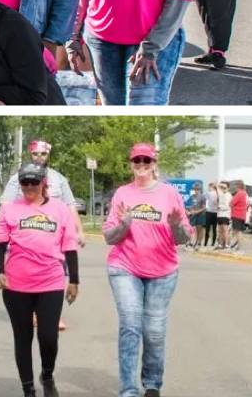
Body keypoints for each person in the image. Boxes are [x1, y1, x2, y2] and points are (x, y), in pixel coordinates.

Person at [104, 143, 191, 397]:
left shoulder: (169, 194)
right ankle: (129, 390)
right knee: (131, 325)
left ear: (155, 164)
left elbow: (183, 237)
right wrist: (125, 223)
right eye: (136, 161)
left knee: (154, 330)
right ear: (131, 164)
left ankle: (152, 383)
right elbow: (110, 237)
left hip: (163, 271)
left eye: (146, 161)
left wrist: (176, 226)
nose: (141, 165)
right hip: (125, 267)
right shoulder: (122, 193)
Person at [0, 161, 80, 396]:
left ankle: (47, 374)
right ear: (20, 184)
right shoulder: (10, 209)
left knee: (48, 337)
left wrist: (74, 280)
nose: (29, 187)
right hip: (16, 284)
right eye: (24, 182)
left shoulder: (60, 209)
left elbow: (70, 245)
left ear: (44, 183)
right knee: (23, 337)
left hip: (50, 281)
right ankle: (28, 388)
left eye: (34, 182)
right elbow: (0, 245)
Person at [228, 180, 249, 253]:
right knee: (239, 232)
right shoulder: (245, 193)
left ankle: (240, 249)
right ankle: (239, 248)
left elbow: (231, 203)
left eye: (236, 185)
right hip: (242, 215)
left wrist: (233, 207)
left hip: (237, 214)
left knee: (238, 232)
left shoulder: (239, 193)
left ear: (238, 186)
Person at [216, 181, 232, 249]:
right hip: (219, 215)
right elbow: (217, 188)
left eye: (224, 187)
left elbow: (227, 206)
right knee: (220, 231)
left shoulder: (228, 195)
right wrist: (218, 186)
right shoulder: (221, 194)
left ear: (228, 188)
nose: (223, 189)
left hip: (225, 215)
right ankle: (220, 244)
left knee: (225, 230)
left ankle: (226, 245)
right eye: (221, 187)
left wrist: (219, 206)